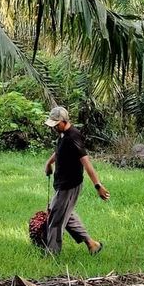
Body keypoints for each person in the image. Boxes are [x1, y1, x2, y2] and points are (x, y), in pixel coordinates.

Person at [43, 106, 109, 256]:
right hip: (62, 183)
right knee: (65, 214)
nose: (54, 128)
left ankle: (51, 255)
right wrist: (49, 163)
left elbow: (87, 163)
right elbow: (59, 151)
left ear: (64, 121)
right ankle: (92, 244)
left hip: (70, 185)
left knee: (55, 220)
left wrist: (98, 185)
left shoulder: (73, 137)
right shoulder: (63, 134)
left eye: (56, 124)